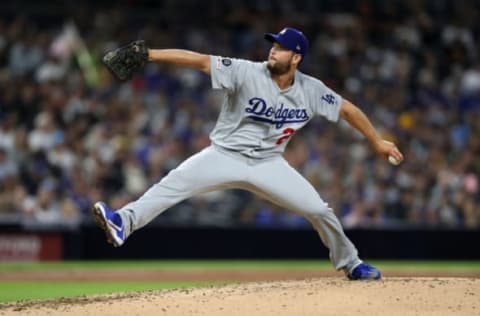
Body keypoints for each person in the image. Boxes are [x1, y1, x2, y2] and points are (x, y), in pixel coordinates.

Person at [92, 27, 404, 280]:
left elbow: (348, 109)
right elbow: (200, 61)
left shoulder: (311, 89)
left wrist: (376, 140)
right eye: (273, 44)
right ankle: (123, 222)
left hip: (268, 164)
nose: (273, 49)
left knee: (320, 211)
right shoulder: (245, 71)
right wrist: (149, 54)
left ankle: (351, 263)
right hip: (223, 156)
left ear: (296, 58)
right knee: (170, 186)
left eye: (281, 47)